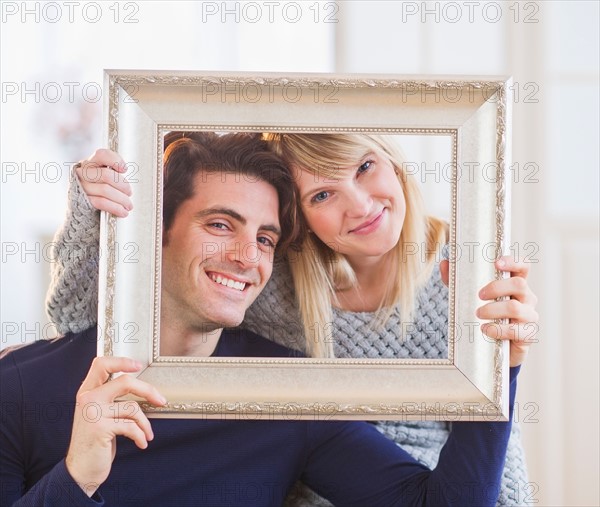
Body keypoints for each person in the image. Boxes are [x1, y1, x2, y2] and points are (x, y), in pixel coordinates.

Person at [35, 132, 537, 505]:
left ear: (391, 158)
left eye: (364, 167)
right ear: (300, 220)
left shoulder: (465, 273)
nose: (360, 205)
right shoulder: (267, 277)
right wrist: (94, 209)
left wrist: (502, 364)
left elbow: (494, 460)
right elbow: (81, 322)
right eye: (322, 195)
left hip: (438, 488)